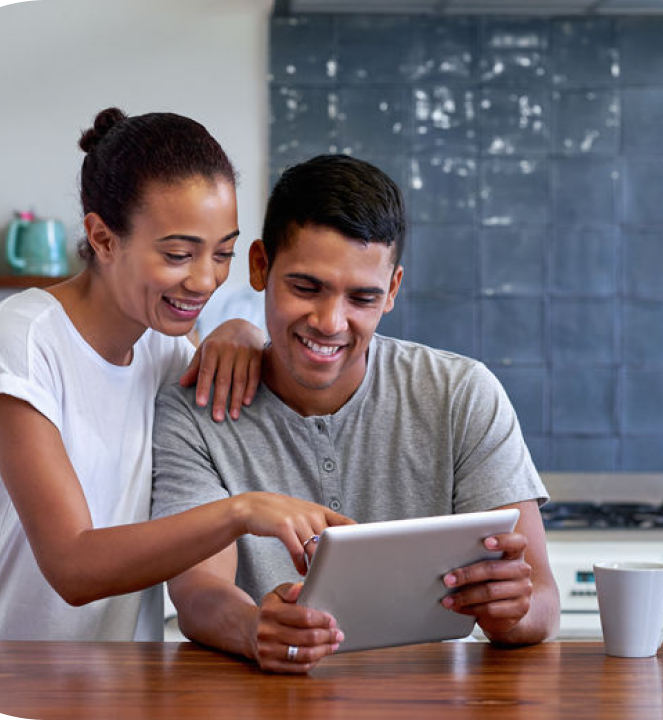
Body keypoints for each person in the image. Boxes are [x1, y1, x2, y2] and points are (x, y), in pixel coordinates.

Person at [0, 109, 350, 642]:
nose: (204, 279)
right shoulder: (19, 343)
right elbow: (73, 566)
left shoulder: (165, 347)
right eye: (177, 254)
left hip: (110, 686)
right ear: (102, 237)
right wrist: (240, 511)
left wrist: (240, 329)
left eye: (223, 253)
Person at [151, 154, 560, 674]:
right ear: (260, 266)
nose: (329, 322)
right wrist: (255, 629)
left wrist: (511, 614)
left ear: (391, 290)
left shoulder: (462, 394)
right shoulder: (195, 410)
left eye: (362, 297)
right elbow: (198, 591)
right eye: (306, 288)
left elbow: (542, 602)